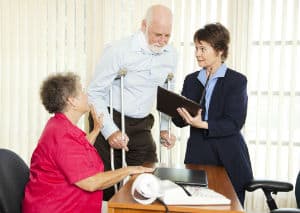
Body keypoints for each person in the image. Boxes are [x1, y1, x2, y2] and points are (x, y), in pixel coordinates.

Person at [22, 72, 153, 213]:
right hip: (57, 208)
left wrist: (96, 130)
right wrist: (130, 169)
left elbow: (77, 153)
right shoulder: (62, 136)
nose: (87, 95)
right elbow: (91, 182)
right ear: (72, 101)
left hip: (67, 204)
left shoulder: (59, 125)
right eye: (82, 91)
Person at [88, 4, 178, 200]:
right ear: (144, 25)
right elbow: (94, 93)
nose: (162, 41)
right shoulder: (118, 50)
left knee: (147, 180)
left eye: (167, 36)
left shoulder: (171, 55)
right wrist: (110, 131)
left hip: (142, 123)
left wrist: (165, 128)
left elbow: (167, 94)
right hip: (111, 118)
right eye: (157, 35)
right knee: (109, 185)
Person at [172, 23, 253, 204]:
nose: (197, 53)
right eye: (196, 48)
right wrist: (173, 108)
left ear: (220, 50)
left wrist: (203, 124)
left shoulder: (237, 81)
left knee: (230, 207)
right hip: (198, 155)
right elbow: (180, 120)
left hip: (229, 157)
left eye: (203, 48)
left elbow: (234, 122)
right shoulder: (192, 80)